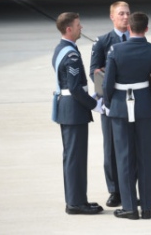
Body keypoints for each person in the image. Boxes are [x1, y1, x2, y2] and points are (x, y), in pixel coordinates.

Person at [103, 12, 151, 220]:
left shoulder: (116, 50)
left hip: (121, 106)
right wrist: (149, 100)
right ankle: (146, 207)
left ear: (129, 28)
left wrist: (110, 104)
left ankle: (129, 207)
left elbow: (107, 83)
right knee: (146, 157)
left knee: (124, 157)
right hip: (144, 105)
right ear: (146, 28)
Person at [52, 12, 103, 215]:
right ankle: (75, 203)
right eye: (78, 25)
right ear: (69, 29)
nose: (82, 28)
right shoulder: (71, 54)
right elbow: (74, 87)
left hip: (70, 108)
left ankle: (78, 199)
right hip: (73, 109)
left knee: (75, 157)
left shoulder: (62, 49)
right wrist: (94, 104)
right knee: (75, 158)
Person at [89, 1, 130, 208]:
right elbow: (94, 71)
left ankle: (130, 188)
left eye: (128, 13)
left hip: (132, 102)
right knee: (112, 148)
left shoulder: (136, 38)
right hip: (111, 103)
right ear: (112, 17)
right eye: (121, 14)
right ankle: (114, 189)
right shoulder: (103, 41)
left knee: (132, 147)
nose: (125, 17)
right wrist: (104, 99)